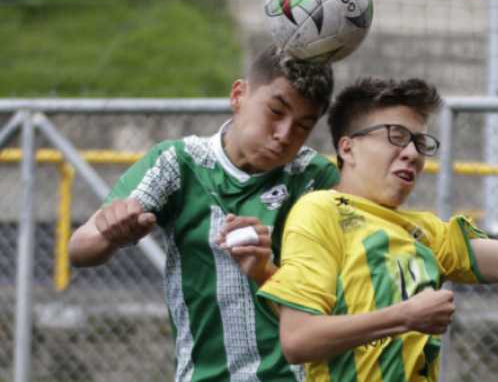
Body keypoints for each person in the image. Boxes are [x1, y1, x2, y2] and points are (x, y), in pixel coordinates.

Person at [256, 77, 498, 381]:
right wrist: (405, 316)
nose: (412, 154)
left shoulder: (428, 232)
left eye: (420, 142)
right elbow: (298, 339)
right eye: (397, 136)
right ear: (348, 149)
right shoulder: (320, 211)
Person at [68, 44, 338, 382]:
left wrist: (268, 270)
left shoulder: (317, 178)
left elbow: (332, 300)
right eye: (275, 111)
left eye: (302, 126)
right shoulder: (178, 163)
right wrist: (109, 233)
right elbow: (79, 249)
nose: (284, 135)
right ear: (239, 95)